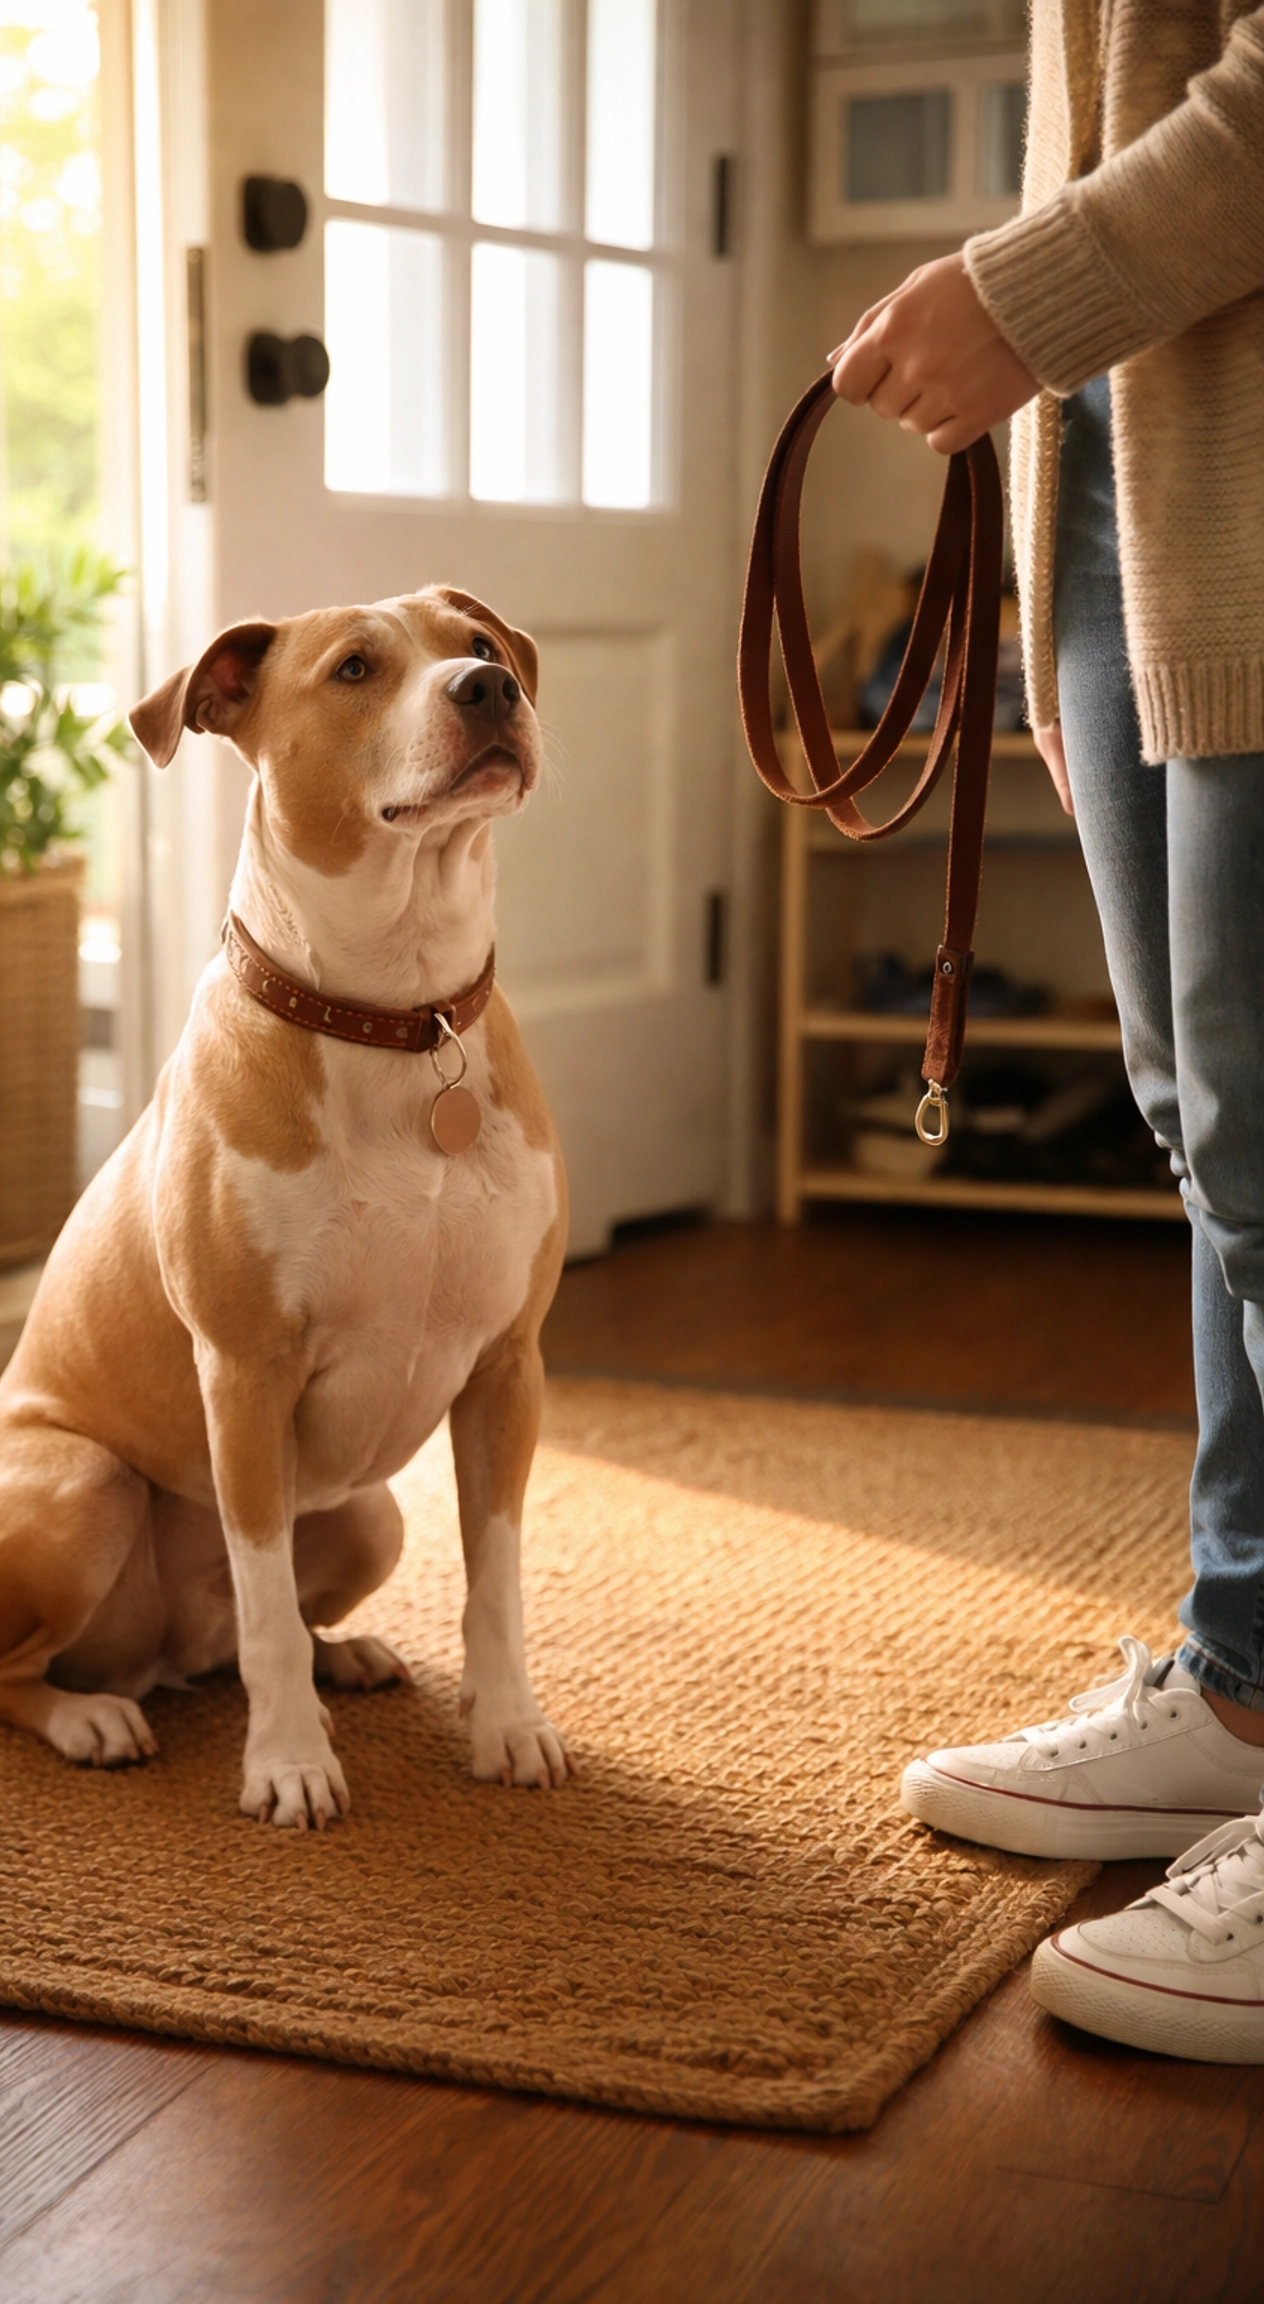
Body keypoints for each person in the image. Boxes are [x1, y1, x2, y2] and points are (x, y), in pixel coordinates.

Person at [830, 0, 1264, 2062]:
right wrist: (1040, 568)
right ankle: (1248, 1675)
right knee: (1218, 1137)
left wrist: (1018, 297)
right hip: (1120, 467)